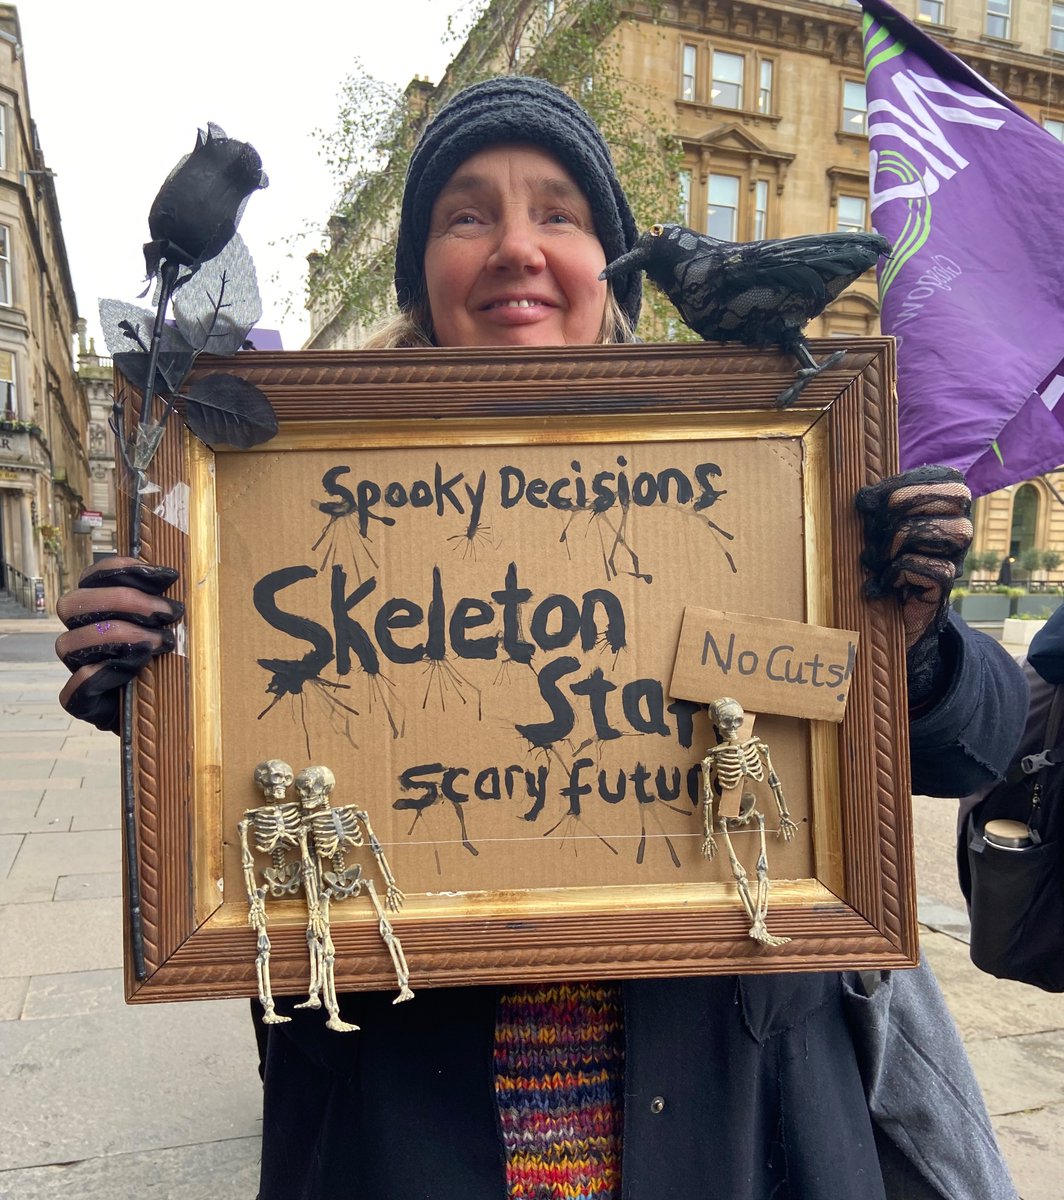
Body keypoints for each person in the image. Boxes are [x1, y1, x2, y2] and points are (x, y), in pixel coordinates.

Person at [55, 77, 1027, 1200]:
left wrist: (907, 642)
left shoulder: (761, 467)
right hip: (408, 1125)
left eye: (556, 212)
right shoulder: (282, 503)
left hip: (733, 1122)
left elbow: (975, 748)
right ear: (421, 266)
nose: (515, 246)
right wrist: (160, 688)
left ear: (609, 262)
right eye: (465, 214)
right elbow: (246, 850)